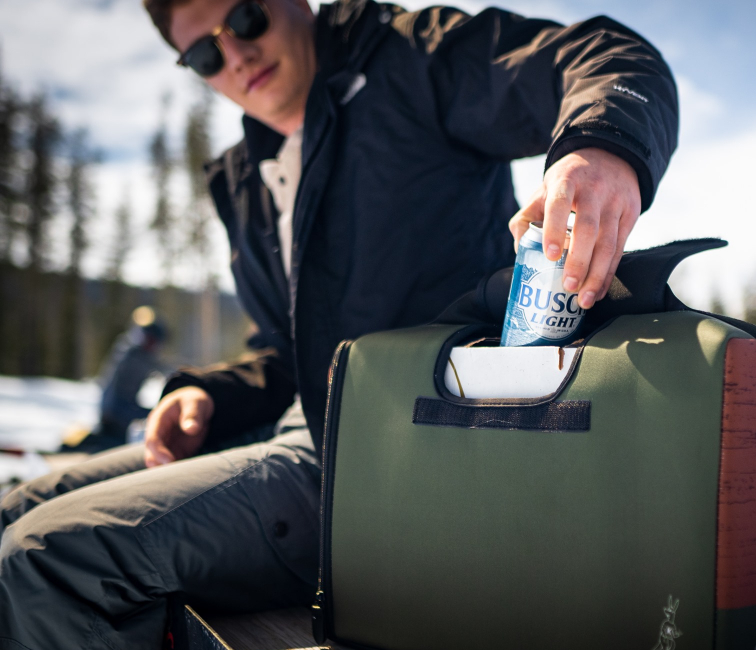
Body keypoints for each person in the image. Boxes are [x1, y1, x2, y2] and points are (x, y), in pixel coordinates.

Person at [0, 0, 678, 647]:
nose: (234, 54)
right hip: (301, 431)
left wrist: (601, 147)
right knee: (15, 509)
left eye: (245, 18)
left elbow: (605, 56)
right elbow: (292, 353)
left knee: (46, 558)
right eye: (203, 54)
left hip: (394, 460)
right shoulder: (247, 175)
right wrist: (210, 393)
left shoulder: (408, 60)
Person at [63, 306, 169, 453]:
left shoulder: (129, 349)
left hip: (115, 408)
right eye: (154, 341)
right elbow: (161, 368)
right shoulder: (134, 355)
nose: (156, 347)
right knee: (159, 415)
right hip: (117, 410)